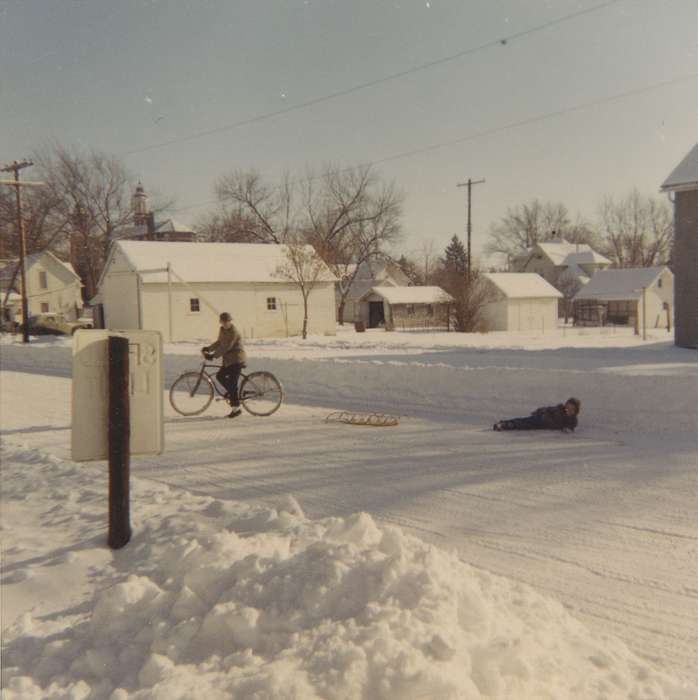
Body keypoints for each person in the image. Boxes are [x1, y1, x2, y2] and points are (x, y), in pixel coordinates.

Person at [202, 312, 247, 418]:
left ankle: (236, 409)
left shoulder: (233, 332)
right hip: (228, 361)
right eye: (224, 322)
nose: (226, 323)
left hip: (237, 360)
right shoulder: (222, 330)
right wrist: (209, 348)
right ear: (221, 322)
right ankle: (232, 393)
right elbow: (219, 342)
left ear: (230, 321)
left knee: (232, 384)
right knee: (220, 376)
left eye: (228, 321)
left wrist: (213, 356)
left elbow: (226, 347)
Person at [493, 397, 581, 433]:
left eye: (571, 409)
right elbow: (547, 409)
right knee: (523, 422)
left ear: (575, 411)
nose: (567, 410)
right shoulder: (558, 410)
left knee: (524, 425)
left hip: (543, 426)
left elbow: (569, 428)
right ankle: (503, 424)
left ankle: (504, 424)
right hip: (541, 419)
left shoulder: (573, 421)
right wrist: (540, 413)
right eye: (567, 407)